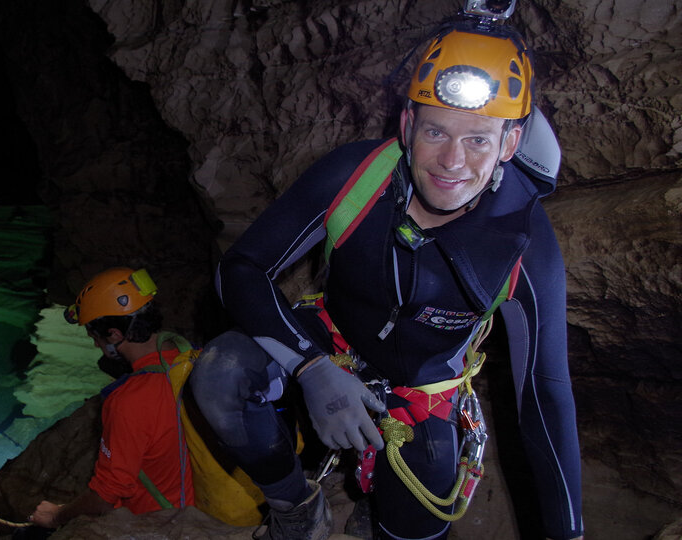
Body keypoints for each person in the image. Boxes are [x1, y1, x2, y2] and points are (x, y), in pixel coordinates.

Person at [188, 11, 584, 540]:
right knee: (221, 371)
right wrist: (312, 369)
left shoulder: (524, 242)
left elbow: (545, 392)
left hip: (422, 393)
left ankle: (379, 505)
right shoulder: (355, 176)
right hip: (332, 344)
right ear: (406, 126)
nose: (451, 161)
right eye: (435, 131)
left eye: (478, 141)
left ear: (509, 146)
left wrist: (570, 533)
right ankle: (296, 509)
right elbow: (240, 270)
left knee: (416, 516)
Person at [28, 267, 194, 528]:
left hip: (156, 521)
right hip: (197, 504)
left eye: (95, 337)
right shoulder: (189, 356)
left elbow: (106, 495)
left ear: (115, 335)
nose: (96, 345)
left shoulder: (129, 401)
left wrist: (55, 515)